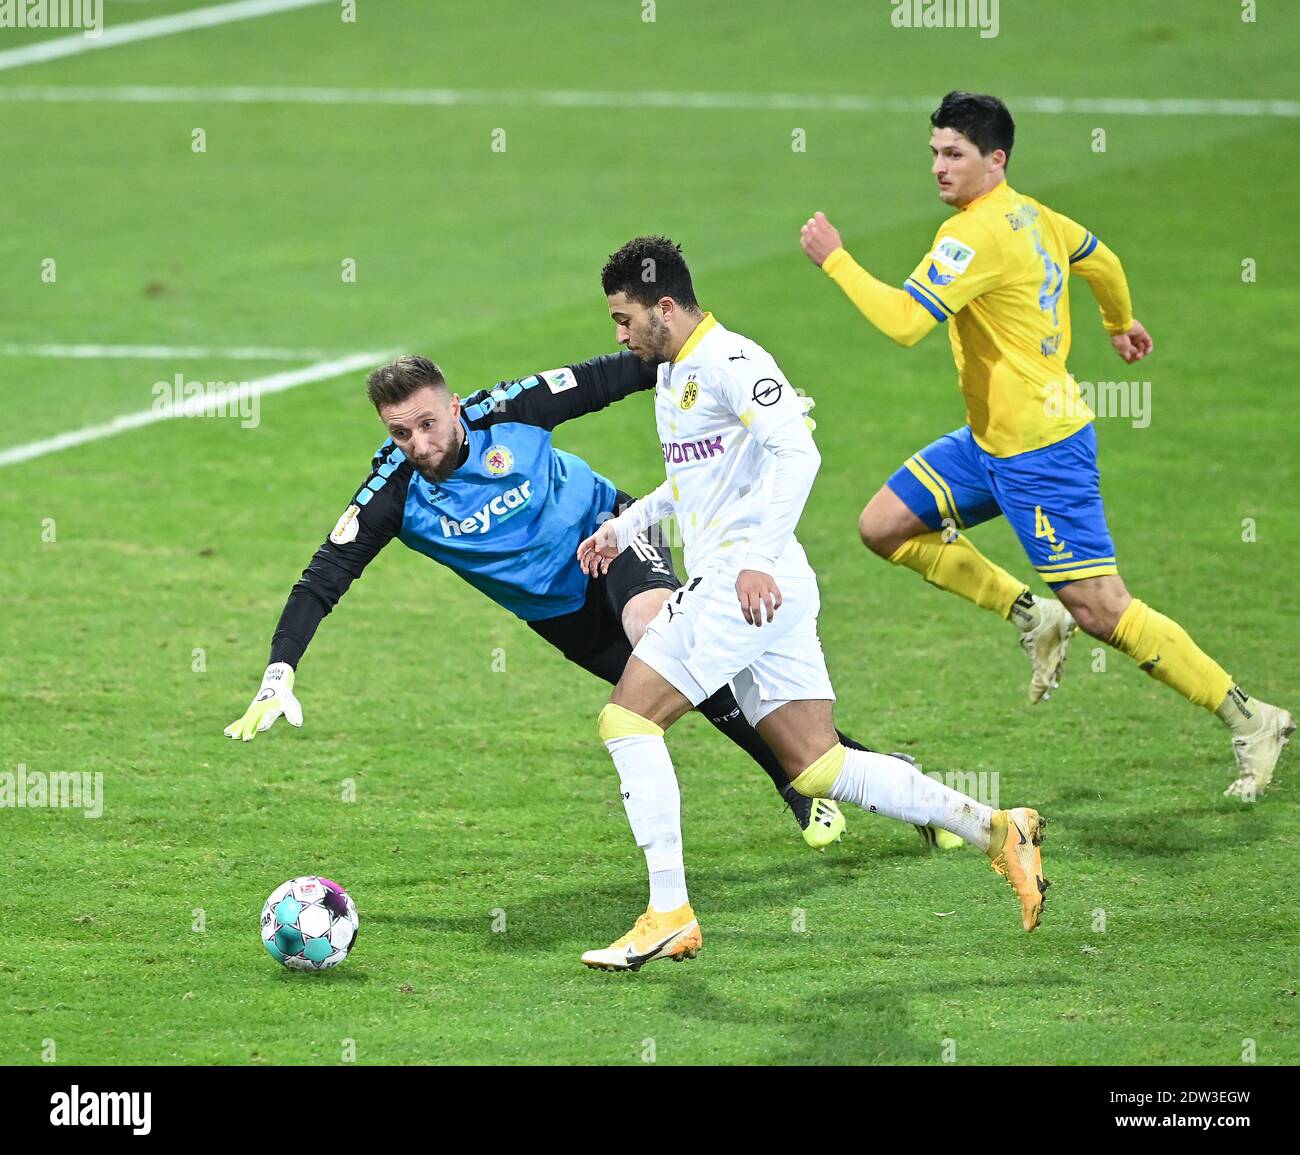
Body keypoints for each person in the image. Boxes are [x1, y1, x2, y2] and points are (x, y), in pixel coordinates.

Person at [800, 90, 1292, 800]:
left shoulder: (973, 236)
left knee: (1104, 608)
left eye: (954, 155)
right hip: (988, 442)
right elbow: (1102, 258)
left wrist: (837, 260)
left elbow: (907, 322)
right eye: (934, 152)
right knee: (884, 524)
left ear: (994, 160)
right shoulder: (1033, 214)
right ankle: (1034, 613)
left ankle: (1251, 717)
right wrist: (1120, 322)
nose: (939, 167)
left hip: (1040, 451)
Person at [575, 236, 1048, 973]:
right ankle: (997, 829)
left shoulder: (733, 362)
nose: (619, 334)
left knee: (628, 718)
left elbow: (801, 453)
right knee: (820, 765)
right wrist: (626, 525)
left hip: (745, 582)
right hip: (768, 587)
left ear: (664, 306)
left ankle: (668, 912)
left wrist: (755, 560)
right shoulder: (672, 375)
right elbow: (698, 487)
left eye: (624, 317)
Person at [224, 349, 854, 847]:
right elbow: (321, 581)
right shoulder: (392, 496)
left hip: (611, 534)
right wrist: (280, 670)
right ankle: (867, 773)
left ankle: (799, 785)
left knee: (657, 632)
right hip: (560, 613)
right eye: (401, 433)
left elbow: (625, 371)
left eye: (427, 424)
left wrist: (758, 409)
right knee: (701, 686)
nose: (419, 444)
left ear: (454, 408)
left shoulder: (510, 408)